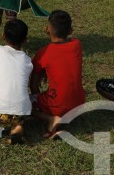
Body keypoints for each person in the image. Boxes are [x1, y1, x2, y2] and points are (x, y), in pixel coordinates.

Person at [30, 10, 86, 139]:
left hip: (58, 107)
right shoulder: (77, 44)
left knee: (23, 103)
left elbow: (33, 84)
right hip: (78, 105)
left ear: (47, 29)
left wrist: (38, 99)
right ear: (71, 30)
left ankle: (50, 119)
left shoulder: (43, 53)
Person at [0, 19, 33, 144]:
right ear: (25, 40)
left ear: (3, 36)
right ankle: (16, 127)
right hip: (22, 113)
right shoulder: (28, 60)